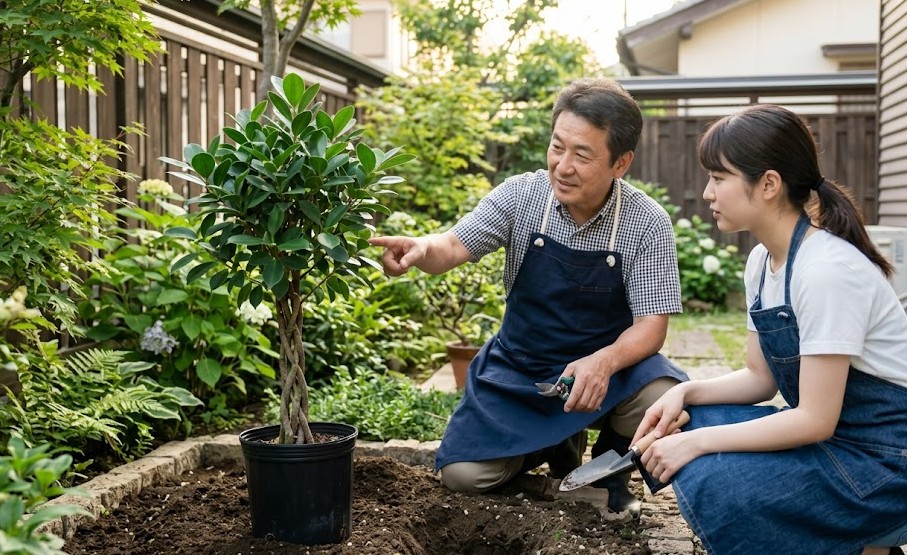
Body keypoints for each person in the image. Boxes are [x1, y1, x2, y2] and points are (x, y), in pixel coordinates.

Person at [369, 77, 689, 515]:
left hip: (604, 374)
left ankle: (610, 472)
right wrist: (422, 249)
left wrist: (603, 362)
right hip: (522, 368)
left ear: (621, 163)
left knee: (664, 394)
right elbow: (453, 246)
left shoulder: (647, 223)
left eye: (582, 154)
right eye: (558, 147)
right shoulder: (522, 195)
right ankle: (554, 470)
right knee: (462, 476)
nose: (563, 165)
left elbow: (651, 328)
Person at [633, 104, 907, 554]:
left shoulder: (826, 270)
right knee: (689, 424)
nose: (707, 193)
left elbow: (815, 420)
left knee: (722, 481)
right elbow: (760, 378)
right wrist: (684, 392)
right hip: (838, 441)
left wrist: (696, 445)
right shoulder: (762, 261)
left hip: (886, 462)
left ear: (768, 184)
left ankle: (867, 537)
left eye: (718, 178)